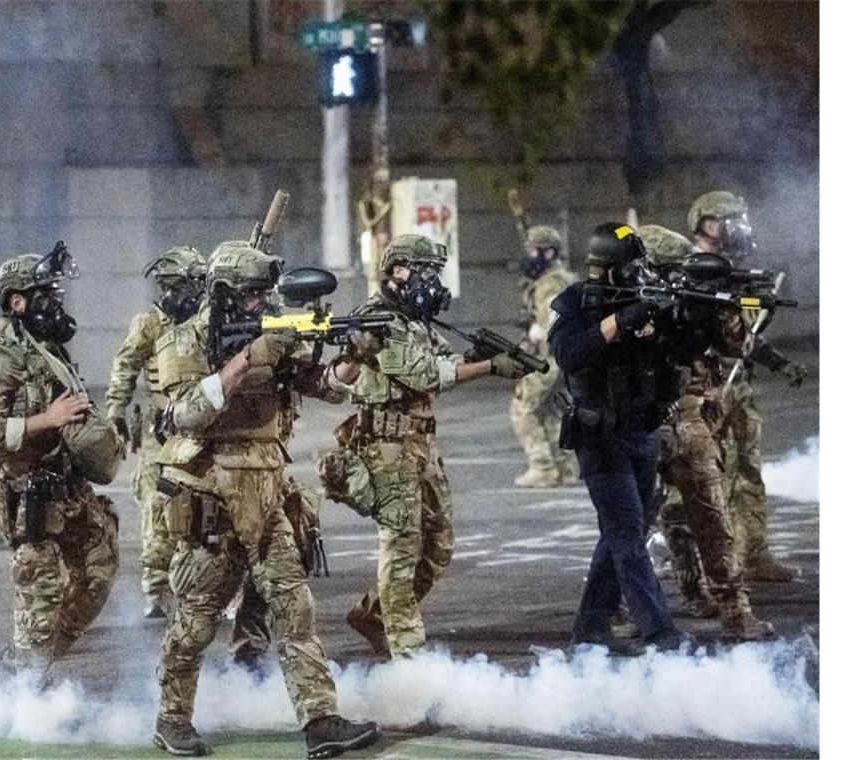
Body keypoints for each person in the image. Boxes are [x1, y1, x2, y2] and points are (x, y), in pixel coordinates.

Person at [152, 241, 379, 758]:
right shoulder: (184, 339)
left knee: (294, 609)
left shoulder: (275, 334)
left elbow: (324, 385)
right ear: (227, 294)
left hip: (268, 495)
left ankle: (321, 721)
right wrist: (246, 361)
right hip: (209, 497)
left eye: (267, 295)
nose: (265, 304)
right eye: (255, 295)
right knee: (195, 622)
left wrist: (352, 356)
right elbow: (182, 414)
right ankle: (171, 718)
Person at [323, 234, 532, 658]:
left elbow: (442, 361)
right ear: (397, 270)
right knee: (401, 553)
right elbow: (423, 375)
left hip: (419, 447)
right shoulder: (378, 320)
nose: (432, 282)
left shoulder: (412, 321)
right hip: (386, 450)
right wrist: (490, 366)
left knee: (437, 546)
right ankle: (411, 658)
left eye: (435, 273)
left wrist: (477, 356)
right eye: (425, 272)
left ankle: (373, 615)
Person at [0, 245, 122, 668]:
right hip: (27, 496)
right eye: (46, 295)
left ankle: (33, 662)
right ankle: (28, 689)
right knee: (40, 596)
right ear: (18, 302)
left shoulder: (49, 351)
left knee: (99, 571)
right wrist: (46, 420)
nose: (57, 304)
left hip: (68, 487)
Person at [547, 222, 684, 651]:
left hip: (641, 429)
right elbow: (568, 352)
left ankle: (589, 630)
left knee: (622, 532)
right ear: (607, 270)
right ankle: (659, 632)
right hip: (600, 435)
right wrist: (621, 320)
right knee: (627, 536)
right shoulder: (575, 303)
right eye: (630, 268)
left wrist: (672, 319)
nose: (637, 276)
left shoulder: (644, 300)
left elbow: (680, 354)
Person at [639, 224, 773, 640]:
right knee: (633, 529)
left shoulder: (693, 305)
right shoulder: (632, 305)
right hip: (644, 423)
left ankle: (735, 612)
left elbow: (741, 348)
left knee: (710, 519)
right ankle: (627, 607)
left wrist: (723, 309)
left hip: (690, 419)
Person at [687, 191, 806, 582]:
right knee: (705, 477)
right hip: (705, 387)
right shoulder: (689, 268)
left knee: (748, 471)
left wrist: (777, 361)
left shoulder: (739, 270)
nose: (735, 227)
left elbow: (745, 337)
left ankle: (753, 553)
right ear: (704, 222)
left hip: (739, 388)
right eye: (726, 219)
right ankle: (703, 564)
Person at [105, 245, 207, 618]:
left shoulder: (209, 320)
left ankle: (210, 585)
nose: (169, 296)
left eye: (177, 286)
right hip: (158, 429)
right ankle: (156, 589)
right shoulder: (149, 323)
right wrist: (115, 411)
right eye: (165, 287)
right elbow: (126, 364)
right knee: (155, 506)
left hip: (200, 426)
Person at [511, 225, 579, 487]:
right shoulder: (564, 278)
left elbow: (550, 321)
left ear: (548, 253)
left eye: (533, 250)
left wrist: (534, 330)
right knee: (550, 412)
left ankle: (543, 467)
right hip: (564, 358)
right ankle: (564, 468)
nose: (529, 256)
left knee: (523, 409)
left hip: (547, 359)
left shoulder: (551, 284)